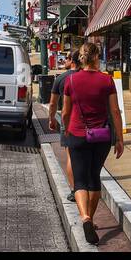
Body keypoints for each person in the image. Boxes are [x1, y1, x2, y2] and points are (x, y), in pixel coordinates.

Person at [60, 42, 123, 246]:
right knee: (94, 177)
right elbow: (115, 111)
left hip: (77, 134)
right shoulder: (106, 81)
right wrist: (120, 138)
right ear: (96, 57)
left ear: (81, 59)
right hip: (101, 136)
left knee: (80, 180)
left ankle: (85, 217)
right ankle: (91, 218)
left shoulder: (71, 80)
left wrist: (67, 128)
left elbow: (66, 112)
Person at [49, 52, 82, 203]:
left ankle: (75, 190)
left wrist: (51, 119)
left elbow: (52, 103)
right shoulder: (86, 76)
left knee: (71, 156)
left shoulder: (61, 78)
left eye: (67, 58)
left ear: (72, 61)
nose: (65, 61)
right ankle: (86, 187)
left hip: (68, 120)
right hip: (88, 122)